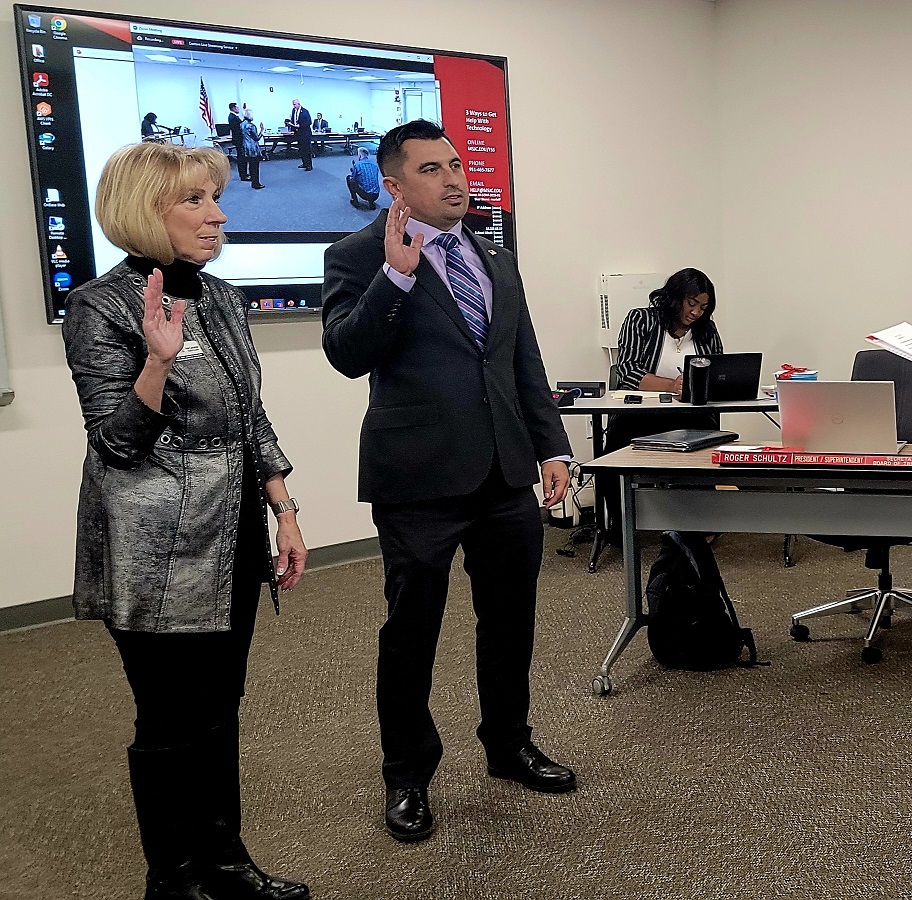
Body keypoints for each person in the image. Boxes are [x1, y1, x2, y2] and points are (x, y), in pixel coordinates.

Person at [61, 142, 309, 900]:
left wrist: (284, 509)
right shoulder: (98, 306)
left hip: (229, 535)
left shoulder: (225, 297)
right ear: (147, 210)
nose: (218, 214)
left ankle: (226, 861)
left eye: (215, 197)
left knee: (218, 708)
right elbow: (114, 441)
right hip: (155, 551)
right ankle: (173, 879)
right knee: (170, 718)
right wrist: (157, 363)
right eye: (196, 201)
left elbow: (247, 414)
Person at [321, 119, 576, 845]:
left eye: (458, 164)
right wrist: (396, 274)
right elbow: (346, 351)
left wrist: (551, 448)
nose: (455, 179)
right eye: (432, 170)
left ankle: (508, 743)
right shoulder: (357, 254)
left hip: (502, 472)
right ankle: (408, 776)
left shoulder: (494, 257)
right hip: (417, 480)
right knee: (411, 634)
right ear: (394, 185)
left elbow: (522, 361)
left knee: (509, 620)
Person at [599, 268, 723, 539]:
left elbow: (720, 369)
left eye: (703, 307)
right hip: (642, 413)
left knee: (708, 447)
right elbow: (628, 371)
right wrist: (672, 386)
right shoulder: (641, 319)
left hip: (690, 415)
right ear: (675, 297)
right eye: (691, 304)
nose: (696, 313)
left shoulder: (706, 330)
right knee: (613, 455)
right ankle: (619, 528)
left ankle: (702, 525)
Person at [239, 108, 265, 191]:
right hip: (252, 148)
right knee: (255, 166)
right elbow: (256, 138)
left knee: (250, 165)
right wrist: (262, 130)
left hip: (245, 147)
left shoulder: (241, 124)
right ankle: (256, 183)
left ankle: (253, 181)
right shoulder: (251, 126)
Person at [286, 100, 312, 171]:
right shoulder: (293, 110)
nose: (294, 106)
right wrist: (291, 124)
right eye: (293, 104)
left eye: (295, 104)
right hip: (298, 133)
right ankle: (304, 163)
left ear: (299, 104)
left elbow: (309, 122)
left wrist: (300, 125)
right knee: (301, 149)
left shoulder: (305, 111)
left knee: (307, 149)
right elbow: (293, 119)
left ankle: (309, 165)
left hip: (305, 133)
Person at [226, 102, 248, 182]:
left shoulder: (233, 116)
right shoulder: (233, 118)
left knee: (242, 157)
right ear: (234, 108)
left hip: (238, 140)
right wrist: (246, 115)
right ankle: (243, 175)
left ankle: (245, 173)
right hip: (239, 140)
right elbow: (242, 126)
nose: (238, 109)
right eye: (237, 108)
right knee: (241, 158)